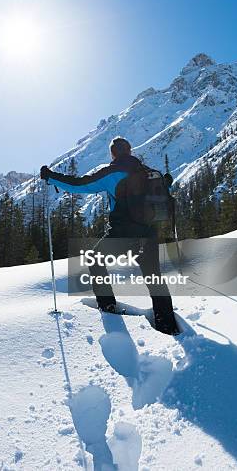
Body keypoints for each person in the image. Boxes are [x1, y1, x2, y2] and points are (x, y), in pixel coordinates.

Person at [40, 137, 179, 335]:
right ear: (130, 151)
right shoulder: (148, 172)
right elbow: (161, 194)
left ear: (113, 154)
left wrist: (51, 177)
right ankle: (168, 325)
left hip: (122, 235)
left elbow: (81, 185)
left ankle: (108, 308)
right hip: (148, 234)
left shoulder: (112, 173)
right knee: (154, 278)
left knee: (95, 259)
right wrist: (167, 182)